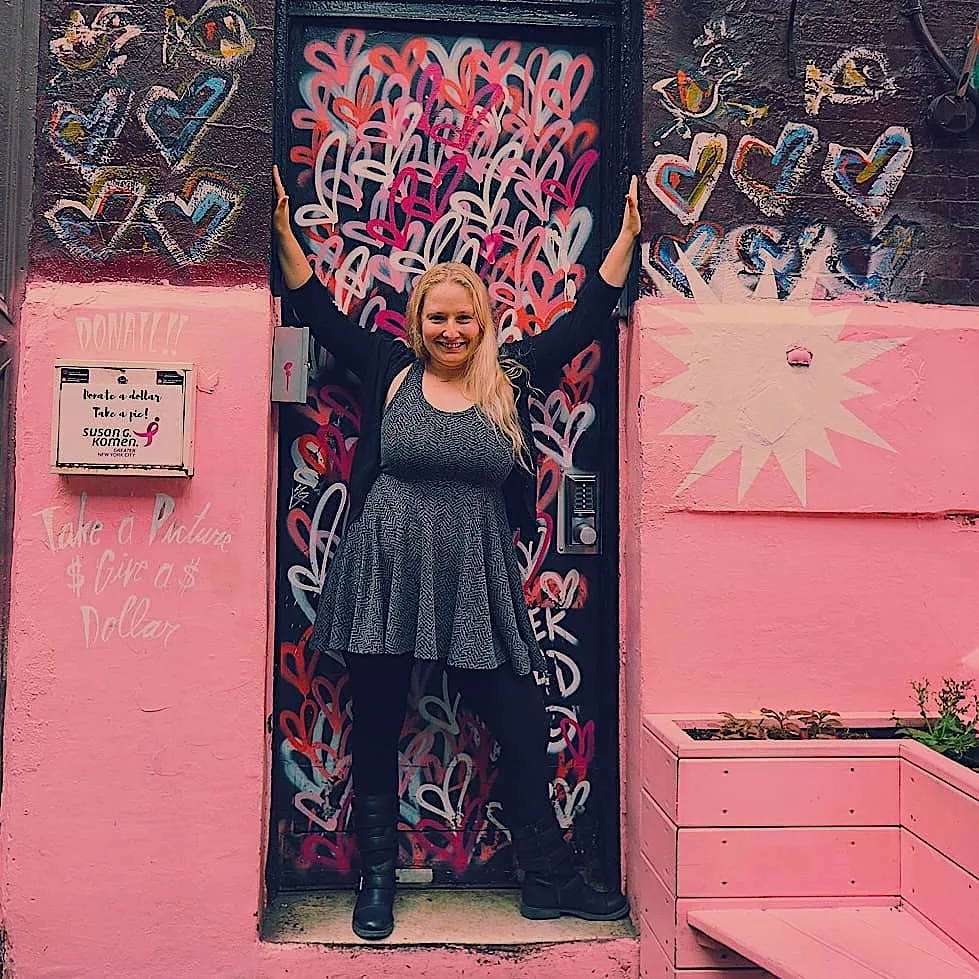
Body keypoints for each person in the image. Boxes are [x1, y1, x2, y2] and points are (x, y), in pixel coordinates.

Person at [273, 165, 640, 940]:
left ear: (482, 323)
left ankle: (546, 877)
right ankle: (375, 881)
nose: (449, 330)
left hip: (474, 572)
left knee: (520, 718)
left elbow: (581, 323)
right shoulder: (387, 368)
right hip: (386, 562)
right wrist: (281, 234)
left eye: (462, 319)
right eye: (437, 318)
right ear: (418, 322)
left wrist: (624, 245)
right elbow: (316, 311)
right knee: (373, 720)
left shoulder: (506, 376)